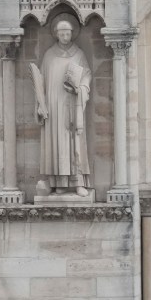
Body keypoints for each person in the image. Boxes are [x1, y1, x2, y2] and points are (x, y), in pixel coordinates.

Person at [34, 18, 92, 196]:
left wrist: (80, 89)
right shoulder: (49, 55)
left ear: (72, 33)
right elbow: (40, 82)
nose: (65, 36)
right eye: (62, 34)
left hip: (72, 105)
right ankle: (59, 181)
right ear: (56, 34)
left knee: (74, 143)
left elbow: (87, 75)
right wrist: (40, 105)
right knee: (56, 143)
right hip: (54, 106)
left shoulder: (79, 54)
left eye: (68, 33)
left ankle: (78, 182)